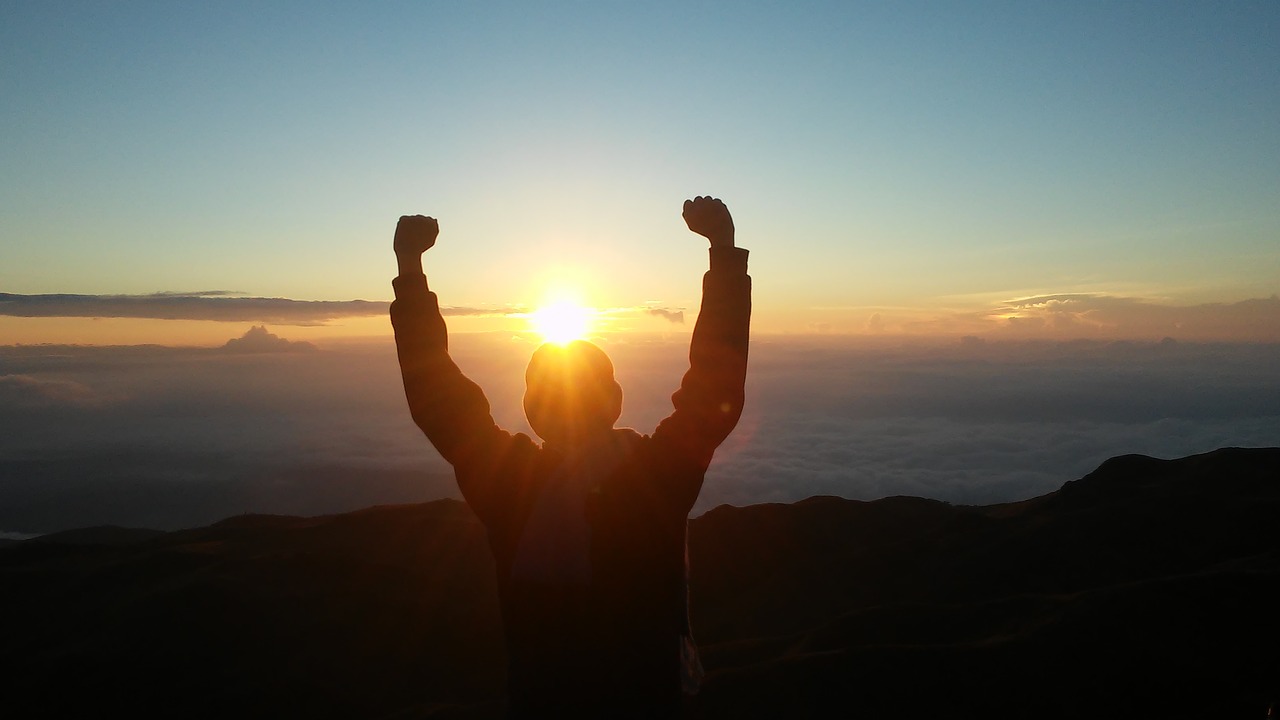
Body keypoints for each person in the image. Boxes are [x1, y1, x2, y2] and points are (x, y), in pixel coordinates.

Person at [390, 196, 751, 718]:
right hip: (647, 697)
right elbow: (714, 390)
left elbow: (438, 398)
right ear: (616, 401)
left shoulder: (509, 483)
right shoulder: (655, 477)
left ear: (530, 409)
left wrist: (410, 268)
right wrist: (722, 253)